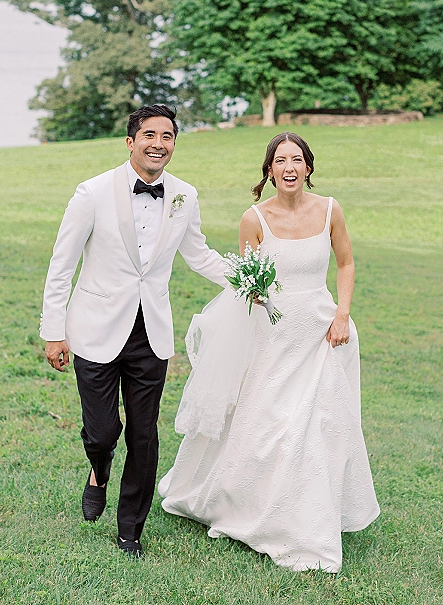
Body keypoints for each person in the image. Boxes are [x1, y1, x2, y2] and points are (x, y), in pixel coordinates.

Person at [159, 132, 380, 573]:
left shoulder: (330, 209)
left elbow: (347, 263)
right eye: (280, 160)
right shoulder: (254, 218)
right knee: (270, 427)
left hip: (322, 332)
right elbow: (246, 279)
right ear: (270, 170)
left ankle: (309, 524)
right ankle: (249, 506)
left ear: (309, 167)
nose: (290, 167)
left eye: (297, 159)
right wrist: (255, 294)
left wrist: (342, 314)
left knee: (317, 426)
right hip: (273, 336)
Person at [40, 105, 226, 558]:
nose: (158, 143)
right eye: (149, 135)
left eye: (167, 136)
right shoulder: (92, 192)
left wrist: (249, 281)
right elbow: (62, 265)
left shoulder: (185, 195)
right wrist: (53, 331)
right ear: (130, 141)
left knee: (143, 434)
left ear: (174, 144)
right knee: (103, 432)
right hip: (93, 328)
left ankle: (130, 530)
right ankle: (98, 470)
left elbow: (199, 254)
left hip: (151, 333)